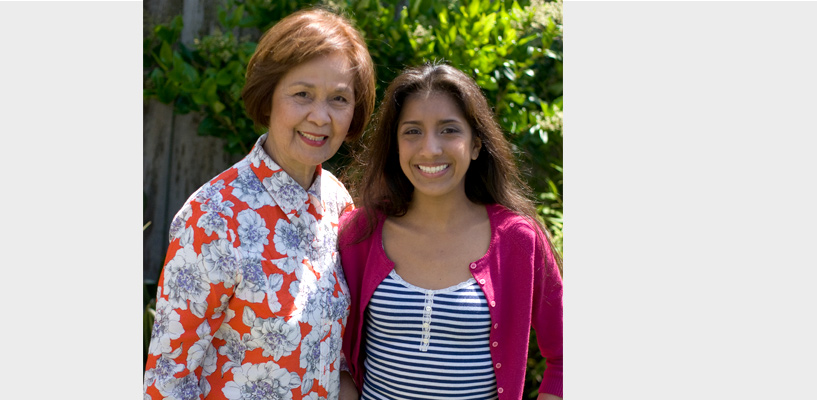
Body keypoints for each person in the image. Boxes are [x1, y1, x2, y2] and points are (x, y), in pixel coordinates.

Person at [144, 8, 375, 400]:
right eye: (302, 94)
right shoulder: (215, 215)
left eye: (339, 98)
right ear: (268, 98)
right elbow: (168, 380)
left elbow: (336, 355)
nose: (320, 116)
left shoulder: (339, 204)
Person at [337, 64, 563, 400]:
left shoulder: (519, 240)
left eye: (449, 130)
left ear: (475, 146)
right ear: (395, 144)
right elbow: (331, 351)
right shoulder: (360, 233)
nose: (430, 148)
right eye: (412, 131)